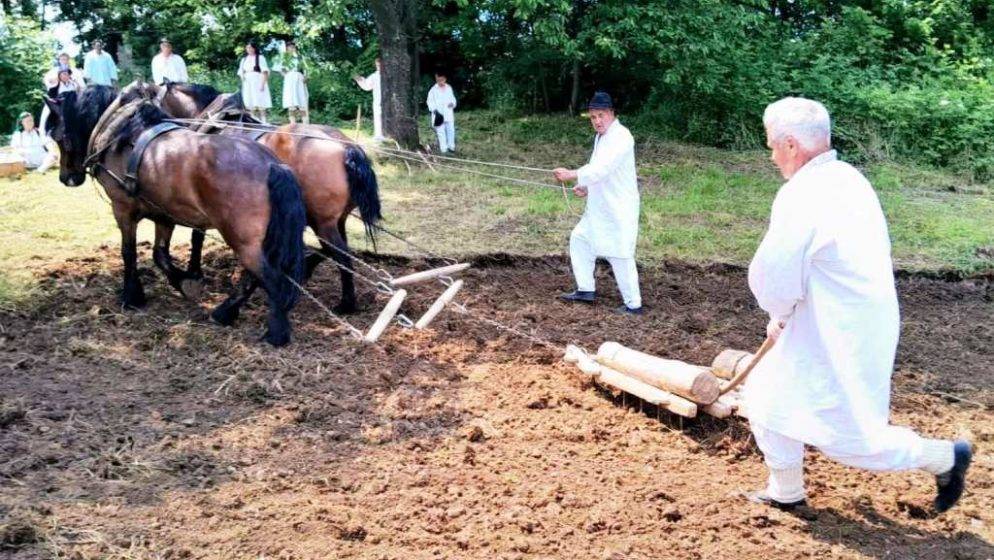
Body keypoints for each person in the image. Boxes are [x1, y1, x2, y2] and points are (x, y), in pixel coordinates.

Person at [744, 97, 971, 513]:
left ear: (791, 145)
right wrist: (785, 313)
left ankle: (944, 457)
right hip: (844, 317)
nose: (771, 156)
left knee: (848, 436)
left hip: (838, 328)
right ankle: (785, 491)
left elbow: (773, 272)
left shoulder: (803, 195)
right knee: (766, 397)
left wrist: (778, 314)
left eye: (772, 145)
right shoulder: (849, 179)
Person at [552, 91, 642, 315]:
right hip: (599, 206)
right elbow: (598, 169)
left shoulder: (622, 137)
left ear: (612, 113)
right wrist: (585, 186)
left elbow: (603, 169)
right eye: (593, 117)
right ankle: (585, 290)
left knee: (620, 254)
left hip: (618, 207)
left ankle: (634, 305)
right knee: (580, 239)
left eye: (601, 115)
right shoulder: (601, 137)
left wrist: (572, 174)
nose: (597, 121)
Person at [238, 41, 272, 123]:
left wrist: (263, 84)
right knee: (250, 102)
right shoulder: (244, 59)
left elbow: (265, 71)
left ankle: (264, 121)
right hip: (247, 82)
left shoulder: (260, 58)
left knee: (260, 101)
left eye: (250, 47)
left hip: (258, 80)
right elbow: (241, 72)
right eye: (247, 48)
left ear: (254, 48)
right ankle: (253, 121)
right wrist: (243, 79)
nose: (249, 49)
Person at [426, 70, 457, 153]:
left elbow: (453, 99)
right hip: (438, 115)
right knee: (441, 133)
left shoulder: (449, 88)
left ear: (445, 79)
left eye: (441, 80)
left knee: (451, 131)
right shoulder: (433, 90)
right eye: (438, 80)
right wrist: (434, 110)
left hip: (448, 113)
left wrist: (452, 103)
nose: (440, 82)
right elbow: (429, 102)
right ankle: (444, 150)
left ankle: (451, 148)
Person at [353, 57, 384, 141]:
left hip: (389, 101)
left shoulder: (390, 76)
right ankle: (379, 135)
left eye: (380, 65)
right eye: (377, 65)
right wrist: (359, 79)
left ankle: (388, 135)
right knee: (378, 116)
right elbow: (367, 85)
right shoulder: (374, 76)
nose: (379, 67)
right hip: (378, 100)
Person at [279, 40, 309, 124]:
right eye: (289, 47)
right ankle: (293, 124)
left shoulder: (300, 57)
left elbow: (306, 69)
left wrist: (306, 77)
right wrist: (286, 76)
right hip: (289, 80)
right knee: (291, 103)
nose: (291, 49)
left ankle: (305, 123)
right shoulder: (284, 58)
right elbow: (281, 69)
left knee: (301, 102)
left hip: (299, 78)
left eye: (293, 47)